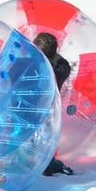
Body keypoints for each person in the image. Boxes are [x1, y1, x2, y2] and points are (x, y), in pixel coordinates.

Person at [32, 32, 74, 177]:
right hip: (43, 108)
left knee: (41, 138)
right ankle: (43, 163)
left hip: (44, 109)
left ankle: (45, 164)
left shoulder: (56, 67)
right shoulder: (61, 65)